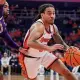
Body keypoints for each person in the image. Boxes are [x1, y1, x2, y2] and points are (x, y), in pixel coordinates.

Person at [19, 4, 77, 80]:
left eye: (53, 13)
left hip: (44, 54)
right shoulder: (39, 26)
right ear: (42, 15)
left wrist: (69, 49)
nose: (52, 16)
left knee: (66, 72)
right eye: (49, 13)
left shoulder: (53, 27)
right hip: (30, 57)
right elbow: (30, 42)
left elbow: (60, 41)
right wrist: (49, 48)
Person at [0, 0, 27, 79]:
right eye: (5, 7)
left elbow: (9, 41)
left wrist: (19, 48)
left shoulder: (3, 24)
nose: (8, 9)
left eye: (8, 7)